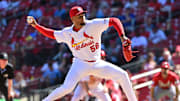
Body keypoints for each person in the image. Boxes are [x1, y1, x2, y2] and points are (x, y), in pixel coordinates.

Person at [27, 6, 137, 101]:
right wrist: (36, 26)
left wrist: (122, 36)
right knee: (67, 88)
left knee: (123, 75)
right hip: (80, 64)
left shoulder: (93, 25)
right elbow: (51, 33)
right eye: (79, 16)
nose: (82, 17)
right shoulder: (67, 33)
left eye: (83, 14)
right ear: (72, 19)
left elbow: (114, 20)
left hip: (97, 63)